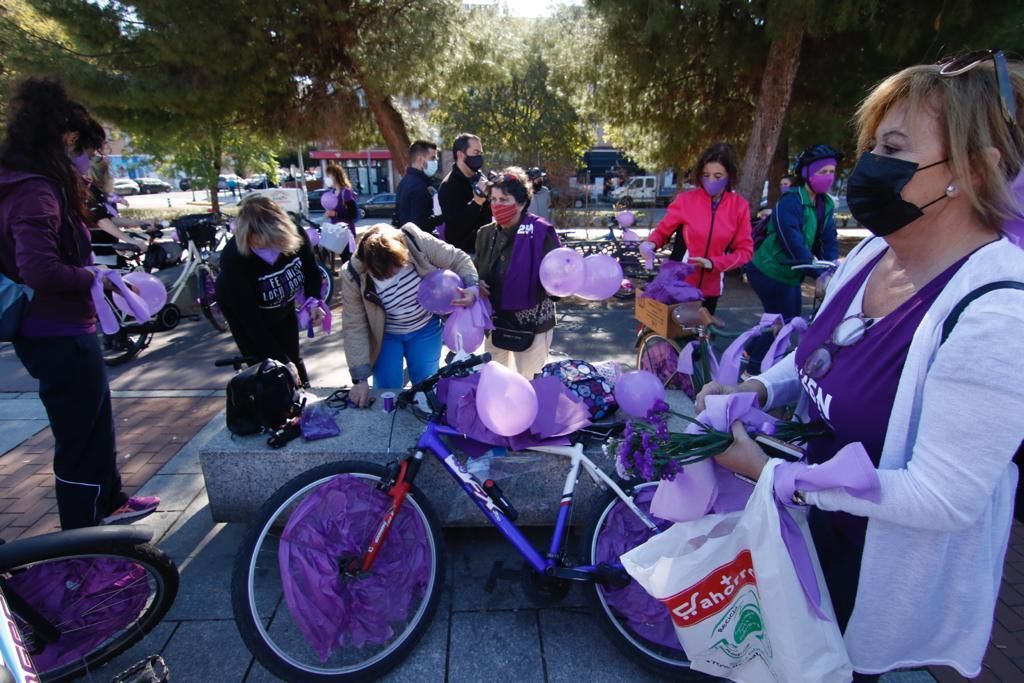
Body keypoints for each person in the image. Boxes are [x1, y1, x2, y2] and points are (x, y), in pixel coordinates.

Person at [698, 53, 1024, 681]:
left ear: (973, 170)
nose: (867, 165)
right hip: (806, 541)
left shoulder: (999, 313)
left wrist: (772, 473)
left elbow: (942, 497)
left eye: (894, 146)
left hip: (871, 576)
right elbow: (822, 354)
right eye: (872, 143)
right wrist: (761, 383)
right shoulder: (875, 250)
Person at [0, 78, 160, 528]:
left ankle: (110, 502)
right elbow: (40, 269)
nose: (89, 163)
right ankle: (83, 532)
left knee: (95, 424)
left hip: (67, 329)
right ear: (68, 141)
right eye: (87, 152)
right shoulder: (36, 192)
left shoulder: (35, 186)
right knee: (79, 438)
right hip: (55, 333)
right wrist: (93, 275)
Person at [341, 222, 479, 407]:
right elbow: (354, 326)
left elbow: (458, 259)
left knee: (427, 387)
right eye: (385, 276)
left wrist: (471, 287)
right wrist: (360, 379)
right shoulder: (353, 274)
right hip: (385, 337)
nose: (392, 277)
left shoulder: (414, 240)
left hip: (425, 328)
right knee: (387, 391)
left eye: (397, 269)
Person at [744, 144, 842, 373]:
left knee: (790, 317)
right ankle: (753, 370)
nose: (828, 177)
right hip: (768, 270)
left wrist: (830, 268)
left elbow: (828, 239)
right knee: (782, 320)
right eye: (822, 172)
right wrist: (818, 272)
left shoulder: (825, 204)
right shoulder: (790, 202)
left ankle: (750, 349)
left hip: (790, 272)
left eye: (831, 172)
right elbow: (792, 243)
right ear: (807, 174)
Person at [215, 195, 323, 387]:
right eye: (257, 240)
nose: (263, 245)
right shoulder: (234, 259)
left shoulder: (296, 236)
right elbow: (251, 322)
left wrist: (313, 300)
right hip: (249, 319)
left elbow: (311, 270)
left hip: (282, 307)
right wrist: (282, 361)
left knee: (294, 358)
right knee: (269, 370)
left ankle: (306, 401)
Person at [642, 143, 754, 314]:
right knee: (672, 338)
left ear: (729, 176)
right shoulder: (685, 201)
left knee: (702, 337)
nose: (711, 181)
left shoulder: (739, 207)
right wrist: (650, 244)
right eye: (706, 175)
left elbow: (745, 252)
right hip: (678, 284)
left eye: (718, 176)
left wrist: (714, 263)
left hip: (710, 290)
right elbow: (663, 231)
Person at [474, 167, 560, 379]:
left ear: (521, 202)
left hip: (533, 326)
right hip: (495, 323)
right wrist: (477, 285)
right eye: (493, 199)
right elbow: (477, 273)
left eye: (504, 199)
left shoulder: (541, 232)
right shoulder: (485, 234)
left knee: (530, 384)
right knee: (494, 383)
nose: (496, 205)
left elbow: (557, 285)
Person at [87, 156, 150, 266]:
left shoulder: (96, 192)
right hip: (98, 254)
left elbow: (109, 219)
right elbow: (101, 221)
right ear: (103, 176)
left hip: (106, 250)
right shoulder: (90, 193)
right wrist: (130, 240)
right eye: (109, 174)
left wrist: (139, 223)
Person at [438, 133, 491, 254]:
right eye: (476, 152)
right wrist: (476, 202)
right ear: (460, 155)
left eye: (480, 153)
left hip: (486, 249)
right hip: (465, 254)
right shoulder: (449, 186)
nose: (479, 157)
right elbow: (456, 229)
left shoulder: (479, 177)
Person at [393, 140, 439, 231]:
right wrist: (442, 217)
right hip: (418, 242)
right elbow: (420, 224)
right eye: (432, 158)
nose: (436, 161)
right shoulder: (419, 186)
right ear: (420, 159)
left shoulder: (404, 182)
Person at [323, 164, 359, 264]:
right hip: (335, 231)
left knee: (347, 259)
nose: (327, 179)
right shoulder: (331, 192)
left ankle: (350, 278)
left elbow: (353, 214)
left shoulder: (346, 192)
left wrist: (335, 214)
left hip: (346, 232)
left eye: (328, 176)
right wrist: (328, 214)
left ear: (335, 176)